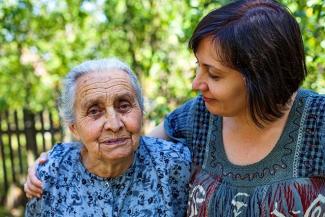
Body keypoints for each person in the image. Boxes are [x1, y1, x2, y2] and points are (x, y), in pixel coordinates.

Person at [25, 0, 325, 216]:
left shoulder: (318, 123)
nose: (197, 83)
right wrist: (50, 162)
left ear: (261, 76)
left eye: (214, 74)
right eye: (198, 67)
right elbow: (126, 143)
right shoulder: (198, 117)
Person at [24, 58, 191, 217]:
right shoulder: (50, 175)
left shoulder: (173, 164)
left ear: (141, 112)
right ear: (74, 127)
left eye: (124, 106)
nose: (114, 124)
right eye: (94, 111)